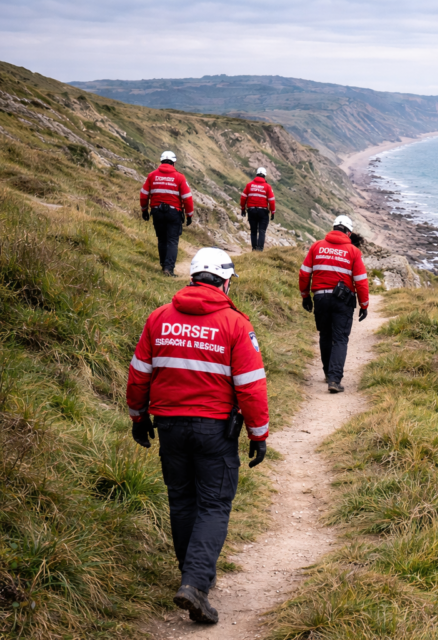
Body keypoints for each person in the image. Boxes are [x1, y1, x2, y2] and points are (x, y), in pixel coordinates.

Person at [126, 247, 269, 625]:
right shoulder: (236, 324)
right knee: (214, 505)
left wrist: (138, 418)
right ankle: (195, 584)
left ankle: (192, 577)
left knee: (182, 501)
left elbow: (139, 372)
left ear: (192, 278)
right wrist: (259, 434)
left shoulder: (159, 318)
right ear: (224, 282)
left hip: (168, 425)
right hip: (214, 430)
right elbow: (251, 386)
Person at [299, 215, 369, 393]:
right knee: (340, 339)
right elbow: (361, 281)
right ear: (349, 232)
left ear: (333, 228)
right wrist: (364, 305)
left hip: (320, 298)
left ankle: (327, 373)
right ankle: (334, 379)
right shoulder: (353, 251)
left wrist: (305, 296)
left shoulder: (317, 246)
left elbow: (304, 273)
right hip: (342, 301)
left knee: (325, 335)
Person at [140, 151, 194, 276]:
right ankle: (168, 270)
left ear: (161, 161)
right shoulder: (180, 177)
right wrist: (189, 215)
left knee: (162, 240)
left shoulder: (152, 175)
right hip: (174, 213)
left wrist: (144, 210)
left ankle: (163, 265)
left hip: (157, 211)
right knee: (172, 241)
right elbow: (187, 198)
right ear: (174, 163)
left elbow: (143, 195)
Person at [240, 167, 276, 251]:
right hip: (263, 212)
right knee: (262, 231)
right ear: (264, 176)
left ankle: (254, 248)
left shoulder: (249, 185)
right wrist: (273, 212)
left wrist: (243, 208)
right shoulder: (267, 187)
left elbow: (243, 197)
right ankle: (260, 249)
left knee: (253, 231)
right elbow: (271, 201)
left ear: (256, 174)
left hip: (251, 210)